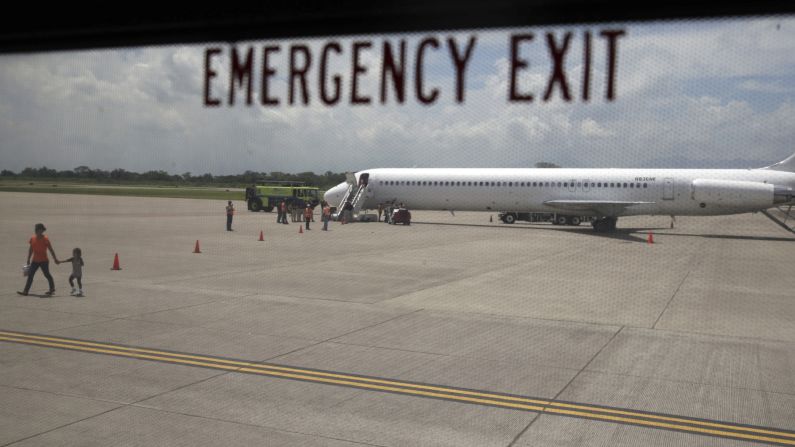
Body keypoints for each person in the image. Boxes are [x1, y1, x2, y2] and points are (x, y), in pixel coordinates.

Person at [18, 223, 59, 296]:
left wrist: (55, 259)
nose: (39, 231)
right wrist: (28, 259)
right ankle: (25, 291)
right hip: (35, 261)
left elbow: (51, 250)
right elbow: (31, 249)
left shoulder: (45, 239)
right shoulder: (32, 238)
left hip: (44, 261)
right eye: (38, 229)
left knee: (47, 274)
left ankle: (52, 289)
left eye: (41, 230)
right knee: (30, 275)